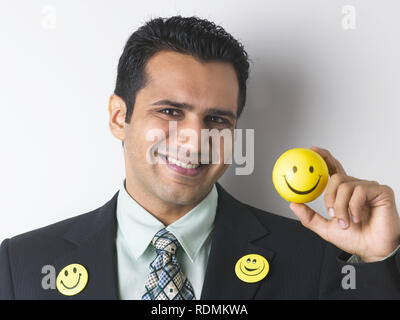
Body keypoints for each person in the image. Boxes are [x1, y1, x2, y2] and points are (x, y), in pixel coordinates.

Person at [1, 15, 399, 300]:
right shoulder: (22, 266)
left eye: (216, 119)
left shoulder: (318, 258)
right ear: (119, 117)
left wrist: (378, 258)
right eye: (170, 112)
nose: (194, 140)